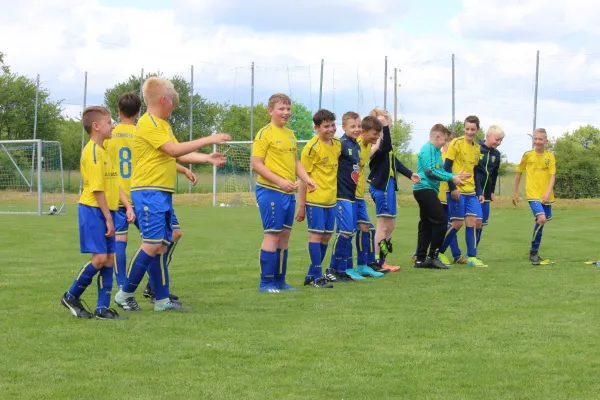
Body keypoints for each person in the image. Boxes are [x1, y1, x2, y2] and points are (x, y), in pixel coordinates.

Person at [113, 77, 229, 312]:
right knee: (152, 244)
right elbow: (174, 150)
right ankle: (125, 293)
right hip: (147, 192)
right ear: (164, 100)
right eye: (172, 103)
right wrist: (210, 139)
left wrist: (206, 157)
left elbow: (178, 155)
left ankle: (162, 299)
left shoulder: (163, 125)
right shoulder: (147, 124)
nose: (173, 107)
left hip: (161, 192)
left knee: (167, 241)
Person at [106, 92, 198, 304]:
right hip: (143, 192)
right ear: (139, 111)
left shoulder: (110, 135)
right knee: (160, 240)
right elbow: (156, 157)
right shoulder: (141, 130)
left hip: (118, 194)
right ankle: (137, 289)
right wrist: (183, 169)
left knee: (126, 240)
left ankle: (128, 285)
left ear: (118, 111)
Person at [60, 106, 133, 320]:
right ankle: (71, 295)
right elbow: (98, 190)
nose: (113, 125)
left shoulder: (104, 150)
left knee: (109, 259)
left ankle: (102, 309)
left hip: (106, 210)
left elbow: (115, 183)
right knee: (100, 258)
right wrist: (109, 219)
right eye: (110, 122)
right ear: (96, 126)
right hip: (93, 210)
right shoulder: (91, 152)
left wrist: (127, 205)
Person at [252, 93, 316, 293]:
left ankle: (280, 281)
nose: (286, 112)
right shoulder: (264, 134)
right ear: (270, 111)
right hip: (271, 191)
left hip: (288, 193)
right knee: (272, 235)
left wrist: (307, 178)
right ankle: (266, 282)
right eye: (281, 109)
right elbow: (256, 164)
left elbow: (295, 162)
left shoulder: (290, 134)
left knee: (285, 236)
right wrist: (280, 182)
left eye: (288, 109)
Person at [367, 108, 420, 272]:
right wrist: (383, 128)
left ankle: (382, 260)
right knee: (382, 225)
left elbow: (393, 160)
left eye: (387, 120)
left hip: (388, 186)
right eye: (384, 120)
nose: (388, 123)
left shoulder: (384, 143)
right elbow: (386, 146)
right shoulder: (375, 143)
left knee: (390, 226)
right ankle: (377, 261)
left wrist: (410, 174)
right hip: (381, 186)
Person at [413, 124, 469, 269]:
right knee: (441, 221)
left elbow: (439, 171)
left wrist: (454, 176)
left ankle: (420, 259)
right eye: (444, 140)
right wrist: (452, 178)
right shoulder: (429, 149)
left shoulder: (436, 151)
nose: (445, 143)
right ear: (437, 137)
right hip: (424, 189)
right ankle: (433, 256)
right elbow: (430, 171)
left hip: (427, 190)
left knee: (426, 223)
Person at [296, 109, 340, 288]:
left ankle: (311, 274)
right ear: (316, 128)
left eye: (332, 125)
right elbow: (302, 177)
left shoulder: (337, 144)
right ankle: (316, 276)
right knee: (315, 235)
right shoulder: (311, 148)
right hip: (315, 200)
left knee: (326, 237)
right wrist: (301, 206)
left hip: (331, 199)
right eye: (326, 126)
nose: (330, 129)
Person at [439, 115, 486, 267]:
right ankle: (438, 252)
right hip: (457, 190)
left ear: (477, 130)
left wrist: (479, 192)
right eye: (467, 129)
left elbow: (476, 172)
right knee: (457, 223)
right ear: (464, 129)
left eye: (473, 129)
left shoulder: (477, 148)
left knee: (473, 221)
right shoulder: (456, 143)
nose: (470, 132)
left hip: (471, 192)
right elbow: (447, 168)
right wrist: (453, 188)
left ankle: (471, 256)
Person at [513, 128, 556, 265]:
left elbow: (552, 176)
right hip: (532, 194)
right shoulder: (527, 155)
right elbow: (519, 173)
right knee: (541, 219)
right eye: (535, 139)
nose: (537, 141)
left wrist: (548, 193)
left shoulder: (550, 156)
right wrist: (515, 193)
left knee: (542, 222)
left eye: (540, 139)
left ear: (546, 141)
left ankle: (535, 252)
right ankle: (533, 252)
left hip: (546, 195)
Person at [356, 116, 387, 274]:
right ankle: (378, 260)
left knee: (377, 228)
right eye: (375, 133)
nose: (377, 137)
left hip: (365, 193)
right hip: (378, 191)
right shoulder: (355, 145)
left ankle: (374, 262)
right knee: (378, 228)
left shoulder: (369, 146)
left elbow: (383, 145)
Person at [474, 125, 505, 248]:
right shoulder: (477, 148)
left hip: (486, 193)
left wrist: (492, 191)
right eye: (496, 139)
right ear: (487, 136)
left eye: (500, 141)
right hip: (474, 191)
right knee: (473, 221)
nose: (498, 143)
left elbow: (494, 173)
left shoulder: (496, 155)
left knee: (481, 223)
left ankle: (472, 251)